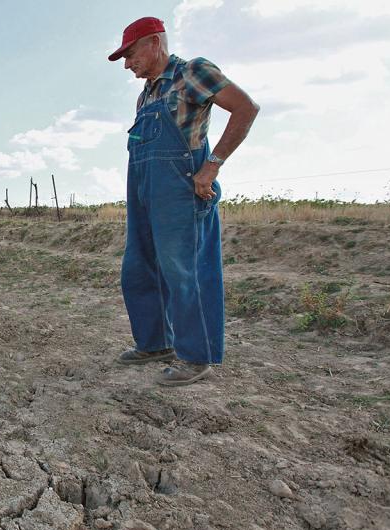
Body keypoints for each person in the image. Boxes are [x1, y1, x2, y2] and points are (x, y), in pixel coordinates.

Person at [109, 17, 259, 385]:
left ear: (154, 42)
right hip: (144, 189)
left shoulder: (192, 72)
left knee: (185, 270)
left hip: (181, 188)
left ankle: (196, 355)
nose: (127, 64)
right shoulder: (147, 93)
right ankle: (155, 342)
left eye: (129, 55)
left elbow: (246, 108)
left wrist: (212, 167)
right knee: (138, 267)